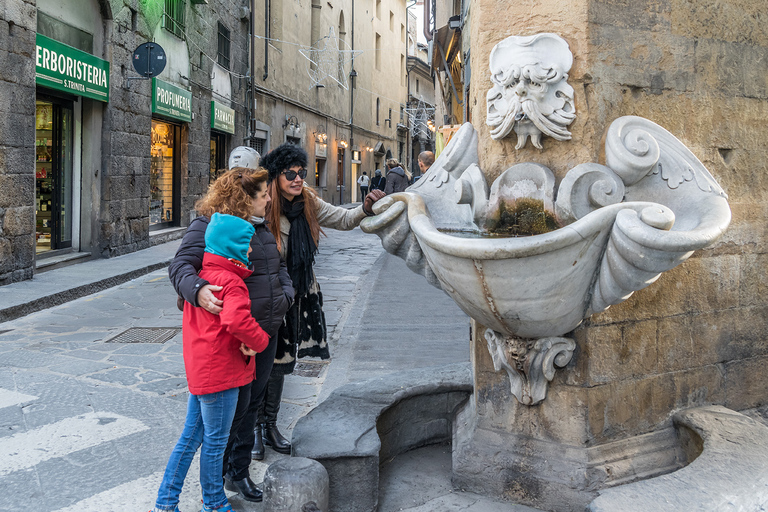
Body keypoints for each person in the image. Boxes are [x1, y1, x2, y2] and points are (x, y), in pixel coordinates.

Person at [249, 143, 385, 459]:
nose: (298, 179)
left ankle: (270, 426)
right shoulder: (260, 206)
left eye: (302, 172)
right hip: (265, 300)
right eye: (290, 173)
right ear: (275, 177)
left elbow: (344, 218)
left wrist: (365, 208)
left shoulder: (307, 201)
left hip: (296, 296)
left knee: (282, 364)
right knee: (260, 366)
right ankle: (253, 428)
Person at [169, 168, 294, 503]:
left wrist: (286, 295)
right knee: (229, 417)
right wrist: (197, 291)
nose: (270, 199)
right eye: (264, 194)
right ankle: (216, 486)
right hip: (233, 339)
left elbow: (278, 267)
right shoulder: (209, 224)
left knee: (251, 406)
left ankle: (238, 473)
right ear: (243, 198)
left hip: (263, 333)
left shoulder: (261, 225)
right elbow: (181, 265)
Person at [152, 211, 271, 512]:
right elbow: (235, 319)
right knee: (215, 444)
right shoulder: (231, 282)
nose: (250, 251)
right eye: (245, 246)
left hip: (203, 372)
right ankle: (215, 503)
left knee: (190, 438)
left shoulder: (203, 279)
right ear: (232, 249)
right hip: (223, 374)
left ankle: (165, 503)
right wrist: (260, 341)